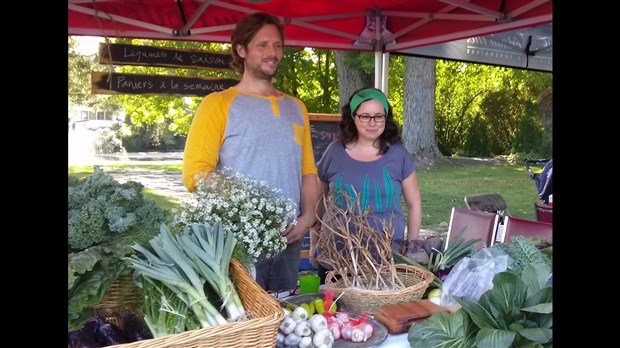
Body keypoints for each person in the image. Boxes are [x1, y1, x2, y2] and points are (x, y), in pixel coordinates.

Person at [182, 12, 319, 293]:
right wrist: (252, 212)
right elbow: (195, 173)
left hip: (288, 241)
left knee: (286, 320)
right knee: (245, 322)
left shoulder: (297, 107)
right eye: (263, 45)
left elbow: (307, 170)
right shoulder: (217, 105)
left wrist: (307, 219)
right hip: (238, 243)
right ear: (241, 50)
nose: (273, 53)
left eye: (278, 45)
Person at [310, 87, 422, 283]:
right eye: (365, 116)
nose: (372, 123)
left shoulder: (399, 155)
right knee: (334, 313)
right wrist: (314, 243)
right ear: (353, 117)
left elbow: (414, 204)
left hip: (385, 259)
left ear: (386, 119)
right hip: (335, 256)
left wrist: (412, 246)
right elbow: (318, 202)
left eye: (378, 116)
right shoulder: (334, 152)